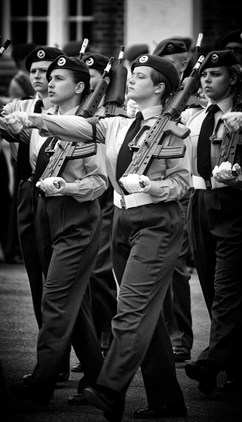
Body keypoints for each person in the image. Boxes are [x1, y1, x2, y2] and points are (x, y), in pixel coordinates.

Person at [7, 53, 192, 421]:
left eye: (141, 76)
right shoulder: (118, 124)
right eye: (133, 73)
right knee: (148, 316)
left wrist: (153, 185)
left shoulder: (175, 129)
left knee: (131, 311)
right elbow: (79, 128)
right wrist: (32, 118)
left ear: (159, 88)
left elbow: (182, 184)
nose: (132, 79)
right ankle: (167, 399)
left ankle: (110, 388)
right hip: (123, 220)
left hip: (157, 221)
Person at [6, 54, 108, 407]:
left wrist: (68, 188)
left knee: (54, 302)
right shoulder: (50, 125)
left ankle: (42, 382)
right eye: (49, 77)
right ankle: (97, 378)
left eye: (59, 78)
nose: (50, 82)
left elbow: (99, 180)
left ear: (80, 87)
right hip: (46, 216)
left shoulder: (88, 124)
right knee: (71, 306)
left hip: (76, 220)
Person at [180, 49, 242, 395]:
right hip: (199, 200)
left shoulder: (239, 116)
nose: (206, 80)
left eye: (215, 74)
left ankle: (212, 360)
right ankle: (233, 364)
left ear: (233, 78)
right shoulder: (196, 116)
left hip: (232, 202)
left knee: (227, 290)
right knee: (211, 285)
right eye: (204, 74)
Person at [0, 45, 63, 329]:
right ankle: (51, 352)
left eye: (46, 71)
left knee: (58, 278)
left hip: (57, 191)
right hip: (28, 192)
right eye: (34, 71)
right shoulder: (19, 105)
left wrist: (21, 130)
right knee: (35, 276)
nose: (39, 76)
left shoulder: (66, 110)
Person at [68, 52, 118, 404]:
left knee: (100, 273)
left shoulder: (112, 116)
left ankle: (107, 338)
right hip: (73, 198)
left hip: (107, 197)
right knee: (82, 282)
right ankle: (93, 350)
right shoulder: (68, 113)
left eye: (93, 74)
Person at [152, 37, 194, 362]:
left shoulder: (197, 98)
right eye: (173, 64)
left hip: (181, 187)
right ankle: (162, 333)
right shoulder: (153, 97)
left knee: (177, 268)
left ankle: (180, 336)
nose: (177, 69)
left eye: (182, 63)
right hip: (148, 189)